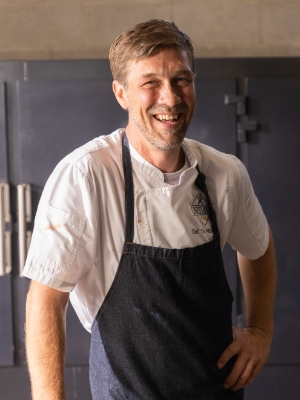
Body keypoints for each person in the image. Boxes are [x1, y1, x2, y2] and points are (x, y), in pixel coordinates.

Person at [24, 19, 276, 400]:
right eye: (150, 84)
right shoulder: (86, 175)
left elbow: (258, 246)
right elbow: (45, 300)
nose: (170, 98)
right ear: (121, 93)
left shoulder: (224, 173)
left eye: (181, 80)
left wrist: (260, 330)